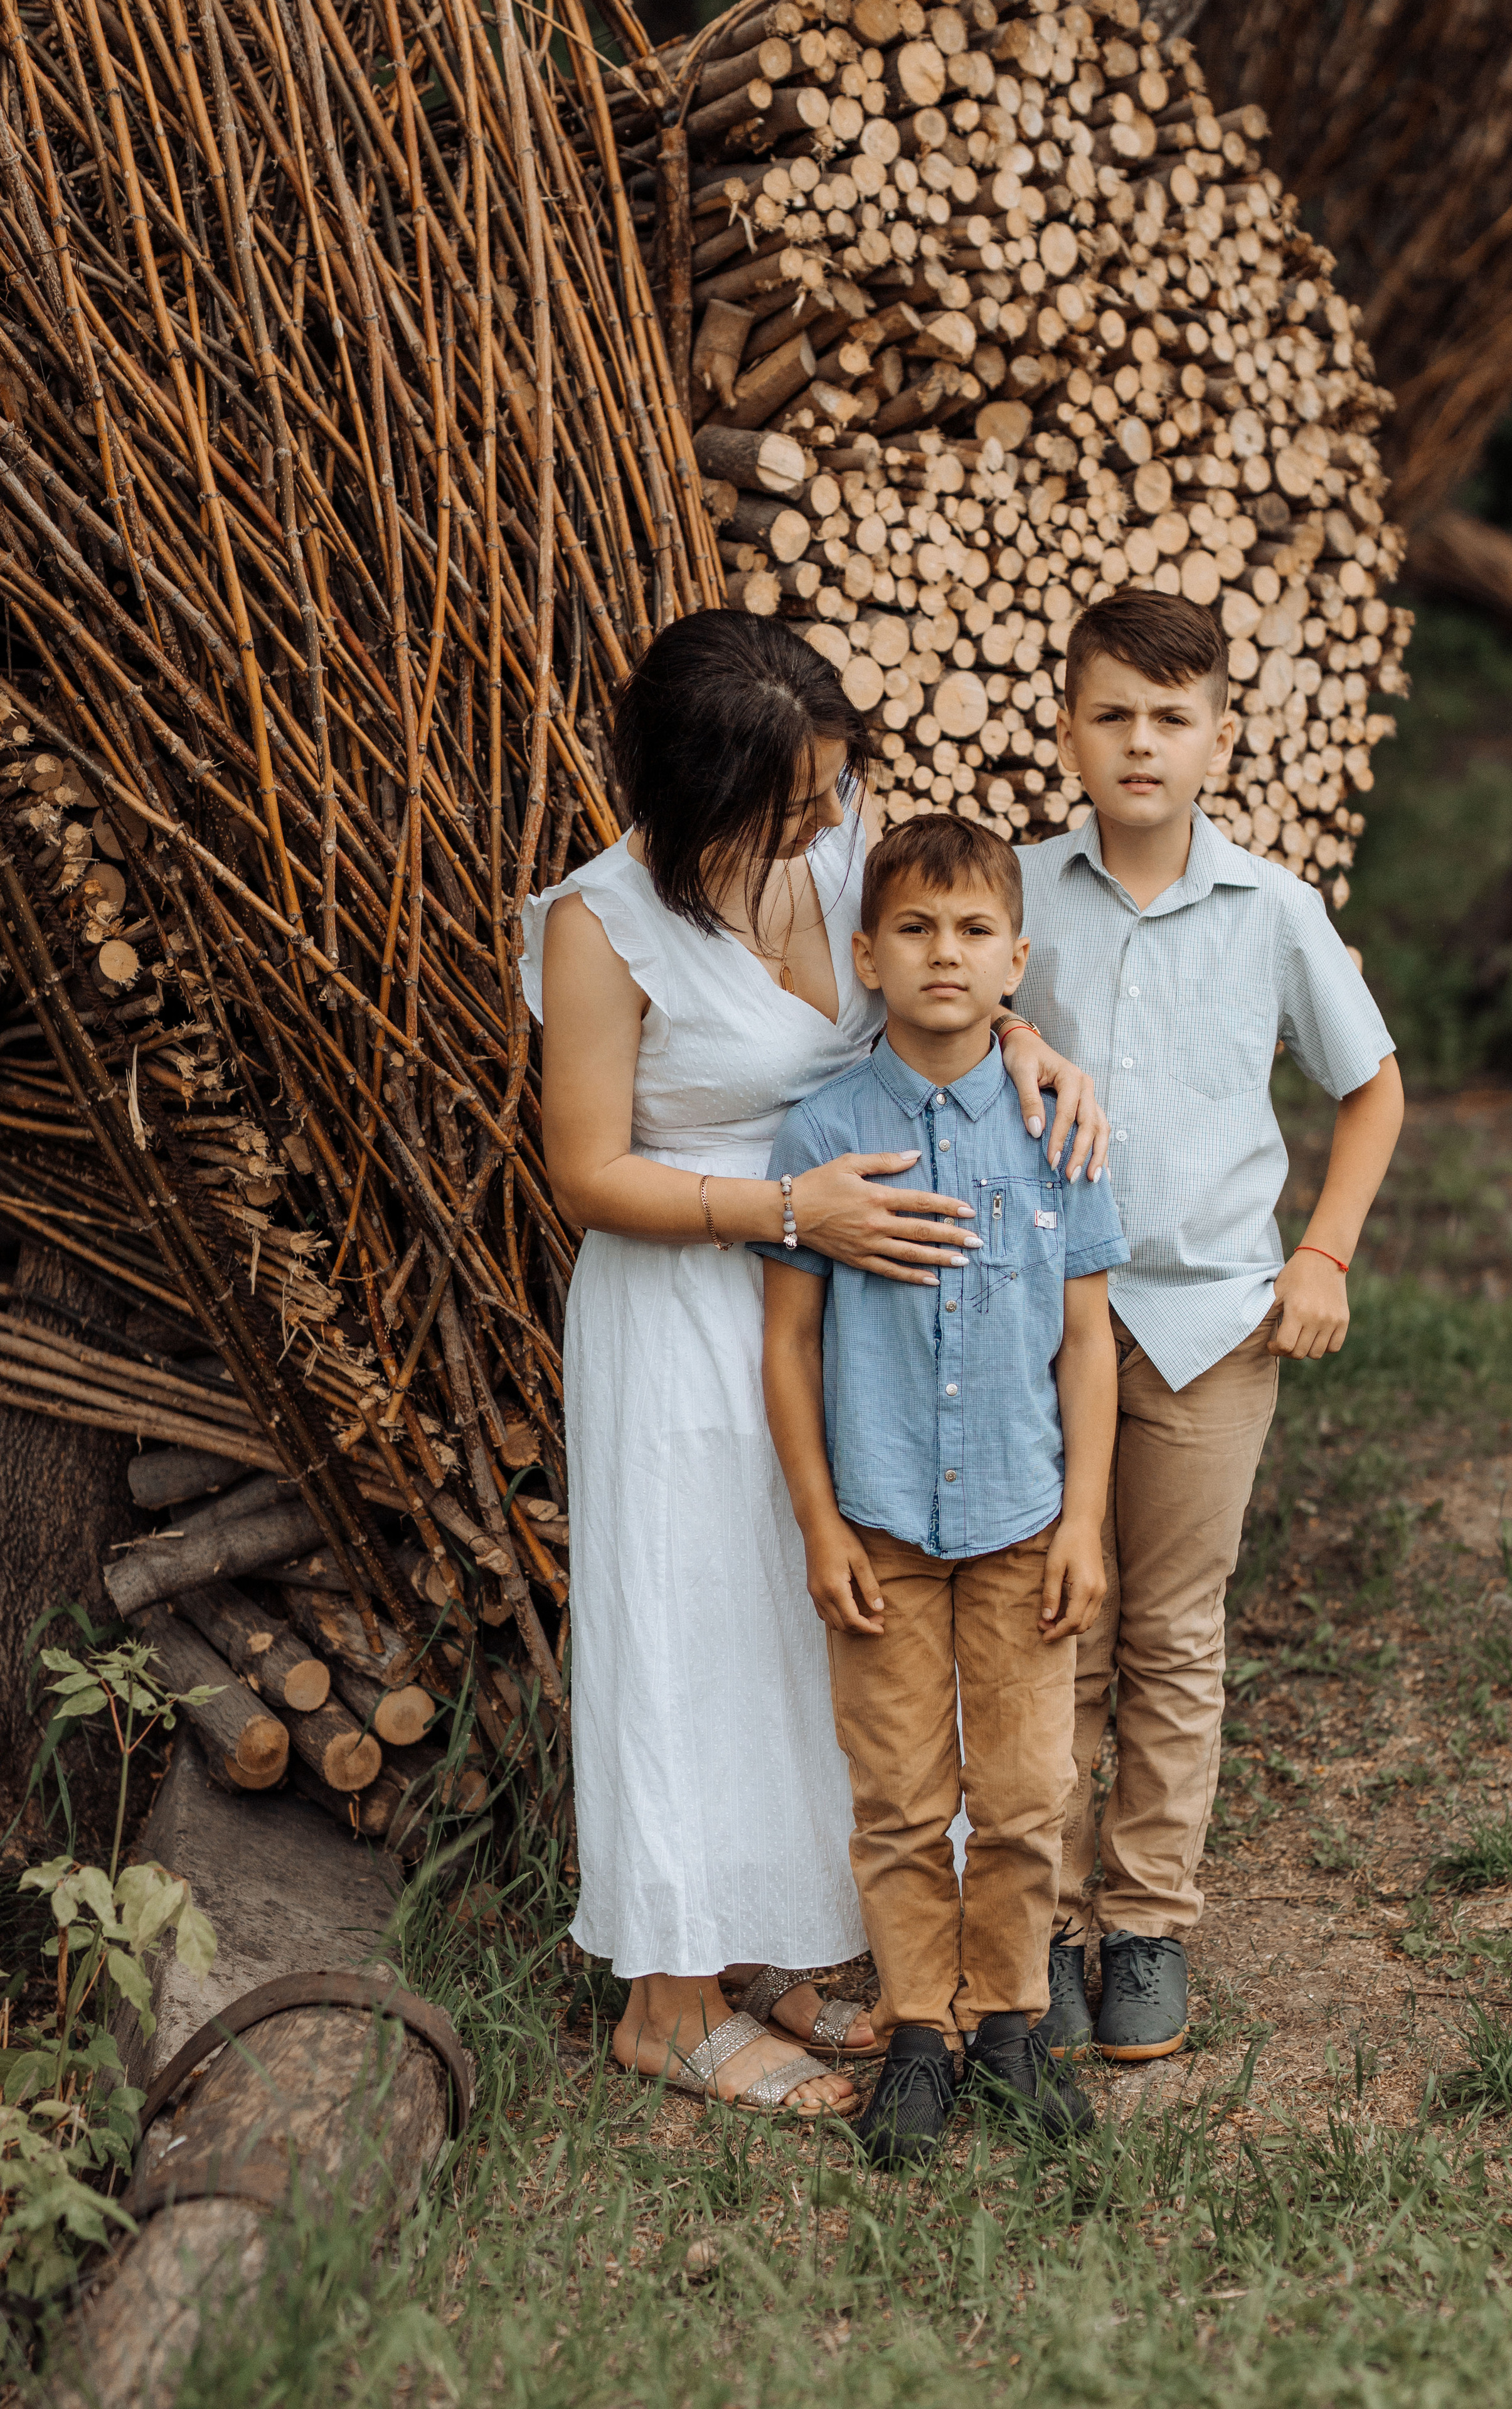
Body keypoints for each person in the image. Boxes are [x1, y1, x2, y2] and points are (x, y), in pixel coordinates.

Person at [523, 609, 1107, 2117]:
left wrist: (1028, 1045)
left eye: (828, 790)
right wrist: (793, 1206)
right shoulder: (602, 926)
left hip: (843, 1315)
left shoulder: (839, 847)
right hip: (684, 1292)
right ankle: (665, 1999)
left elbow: (942, 957)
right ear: (697, 794)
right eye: (785, 802)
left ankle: (765, 1943)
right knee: (690, 1632)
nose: (819, 821)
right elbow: (585, 1169)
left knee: (809, 1646)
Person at [1007, 590, 1405, 2065]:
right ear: (1065, 729)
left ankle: (1148, 1925)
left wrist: (1324, 1253)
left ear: (1217, 739)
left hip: (1210, 1328)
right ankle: (1036, 1926)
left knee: (1171, 1630)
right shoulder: (1018, 893)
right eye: (1109, 714)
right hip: (1039, 1325)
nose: (1138, 742)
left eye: (1169, 719)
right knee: (1059, 1621)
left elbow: (1368, 1089)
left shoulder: (1273, 912)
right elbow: (937, 1022)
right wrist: (1006, 1032)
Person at [758, 816, 1130, 2166]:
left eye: (972, 930)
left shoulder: (1059, 1128)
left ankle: (1010, 2024)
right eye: (912, 929)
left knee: (1027, 1789)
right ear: (866, 952)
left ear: (1014, 957)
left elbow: (1085, 1342)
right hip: (881, 1523)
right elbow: (787, 1345)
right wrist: (815, 1521)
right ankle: (917, 2030)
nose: (942, 954)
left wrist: (1084, 1519)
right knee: (902, 1793)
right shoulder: (822, 1130)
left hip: (1026, 1522)